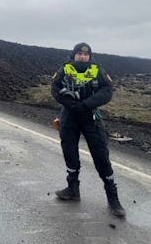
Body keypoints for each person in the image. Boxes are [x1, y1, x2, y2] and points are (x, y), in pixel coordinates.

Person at [51, 42, 126, 217]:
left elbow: (107, 90)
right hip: (69, 116)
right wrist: (71, 104)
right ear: (74, 55)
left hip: (90, 116)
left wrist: (86, 104)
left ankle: (113, 198)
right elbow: (55, 89)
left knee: (100, 155)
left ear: (90, 56)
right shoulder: (65, 69)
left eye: (86, 54)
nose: (83, 57)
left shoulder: (97, 70)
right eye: (79, 54)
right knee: (69, 152)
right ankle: (72, 189)